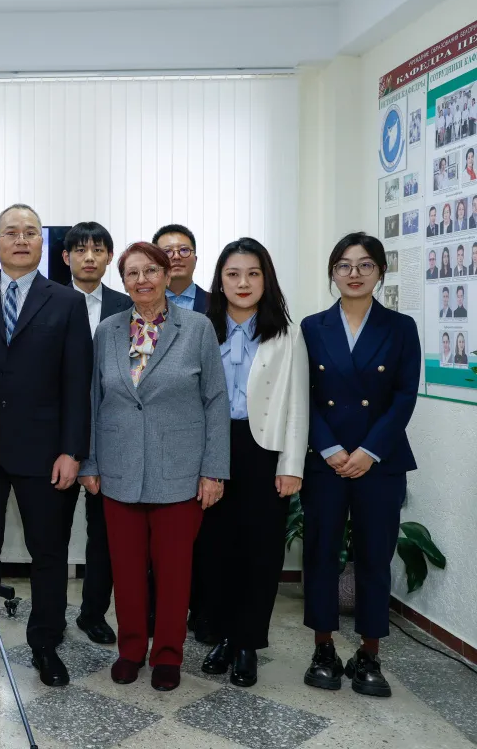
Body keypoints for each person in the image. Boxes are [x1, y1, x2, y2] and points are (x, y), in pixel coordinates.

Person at [0, 204, 92, 687]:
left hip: (47, 454)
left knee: (47, 552)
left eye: (31, 232)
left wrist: (73, 450)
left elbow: (78, 384)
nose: (22, 239)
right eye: (11, 232)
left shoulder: (65, 302)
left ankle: (45, 645)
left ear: (42, 243)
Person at [79, 242, 230, 692]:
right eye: (132, 274)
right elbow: (93, 399)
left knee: (174, 572)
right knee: (124, 572)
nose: (141, 280)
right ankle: (130, 650)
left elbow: (216, 401)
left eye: (151, 271)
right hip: (119, 467)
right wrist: (89, 460)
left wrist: (213, 470)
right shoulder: (108, 330)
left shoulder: (198, 327)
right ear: (122, 281)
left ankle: (167, 654)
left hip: (180, 472)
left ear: (167, 274)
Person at [301, 232, 420, 699]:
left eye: (364, 265)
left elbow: (405, 395)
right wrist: (329, 448)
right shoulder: (312, 327)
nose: (354, 273)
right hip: (325, 460)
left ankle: (370, 653)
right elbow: (303, 395)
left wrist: (369, 451)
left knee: (374, 556)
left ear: (380, 273)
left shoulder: (400, 327)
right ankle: (324, 648)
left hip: (380, 461)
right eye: (344, 265)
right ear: (332, 272)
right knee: (321, 555)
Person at [197, 239, 309, 687]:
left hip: (263, 451)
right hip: (208, 447)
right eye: (233, 274)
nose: (243, 283)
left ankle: (247, 644)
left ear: (267, 279)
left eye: (253, 274)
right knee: (213, 550)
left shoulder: (287, 333)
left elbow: (298, 403)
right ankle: (222, 635)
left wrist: (292, 464)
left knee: (259, 553)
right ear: (219, 281)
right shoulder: (200, 328)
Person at [61, 221, 132, 646]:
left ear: (109, 258)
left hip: (111, 438)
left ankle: (93, 612)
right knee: (51, 534)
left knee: (104, 534)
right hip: (59, 440)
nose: (90, 256)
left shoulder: (128, 306)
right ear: (66, 257)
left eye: (99, 249)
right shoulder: (45, 300)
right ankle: (50, 616)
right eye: (81, 249)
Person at [152, 224, 208, 313]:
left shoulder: (219, 303)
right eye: (167, 251)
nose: (176, 257)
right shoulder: (142, 303)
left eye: (184, 250)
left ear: (195, 260)